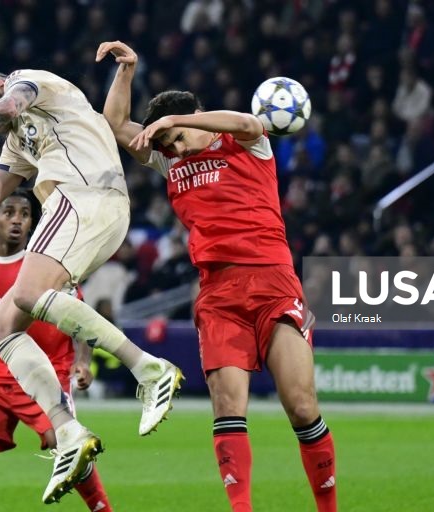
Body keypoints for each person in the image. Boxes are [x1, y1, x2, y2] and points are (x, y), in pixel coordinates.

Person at [0, 66, 182, 503]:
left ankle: (149, 368)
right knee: (1, 327)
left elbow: (7, 106)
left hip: (82, 195)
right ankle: (68, 431)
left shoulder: (32, 83)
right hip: (93, 212)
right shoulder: (18, 141)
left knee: (26, 294)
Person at [96, 41, 337, 512]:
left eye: (178, 139)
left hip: (273, 284)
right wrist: (127, 71)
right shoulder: (171, 158)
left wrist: (177, 123)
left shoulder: (247, 143)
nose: (173, 150)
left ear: (197, 118)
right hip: (218, 293)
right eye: (167, 145)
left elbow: (250, 120)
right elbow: (115, 126)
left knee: (303, 408)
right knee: (228, 408)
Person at [0, 190, 110, 512]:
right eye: (9, 212)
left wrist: (82, 361)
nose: (17, 220)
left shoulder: (48, 265)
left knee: (66, 446)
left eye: (25, 213)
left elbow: (78, 315)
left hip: (44, 373)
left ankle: (103, 509)